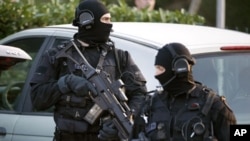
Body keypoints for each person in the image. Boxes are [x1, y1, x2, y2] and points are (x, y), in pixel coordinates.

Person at [29, 0, 147, 141]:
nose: (109, 24)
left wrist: (125, 119)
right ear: (87, 21)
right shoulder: (57, 56)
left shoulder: (120, 57)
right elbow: (36, 99)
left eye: (109, 20)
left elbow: (141, 94)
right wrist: (65, 83)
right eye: (105, 19)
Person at [136, 42, 236, 141]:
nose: (156, 74)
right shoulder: (150, 105)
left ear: (179, 68)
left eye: (160, 69)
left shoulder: (214, 105)